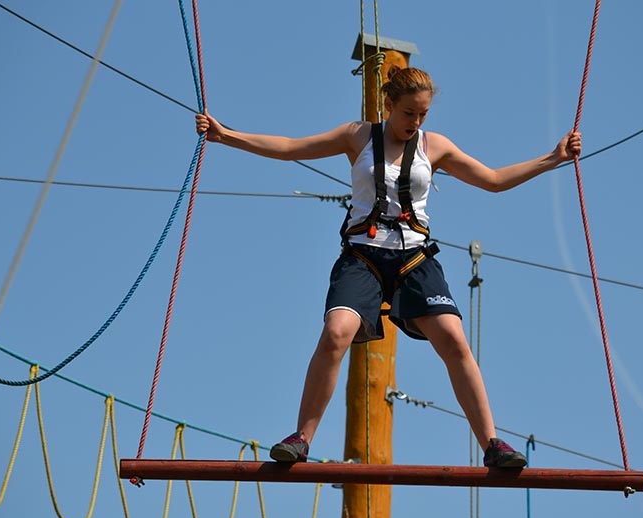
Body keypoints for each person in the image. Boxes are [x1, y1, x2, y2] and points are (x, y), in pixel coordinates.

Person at [195, 66, 582, 468]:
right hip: (363, 257)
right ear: (388, 104)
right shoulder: (357, 136)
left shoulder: (435, 146)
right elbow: (291, 148)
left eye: (423, 114)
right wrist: (227, 136)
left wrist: (553, 158)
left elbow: (494, 180)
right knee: (336, 333)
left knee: (453, 339)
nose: (415, 122)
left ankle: (492, 443)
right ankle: (301, 438)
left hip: (414, 258)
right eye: (408, 113)